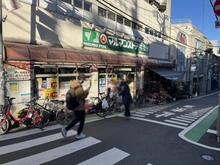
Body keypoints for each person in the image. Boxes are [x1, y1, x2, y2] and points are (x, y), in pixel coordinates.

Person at [61, 73, 90, 139]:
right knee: (82, 120)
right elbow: (83, 96)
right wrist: (87, 91)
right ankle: (79, 134)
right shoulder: (79, 87)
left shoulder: (73, 85)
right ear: (81, 79)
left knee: (77, 119)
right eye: (83, 80)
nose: (83, 81)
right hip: (80, 106)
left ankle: (66, 129)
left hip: (75, 105)